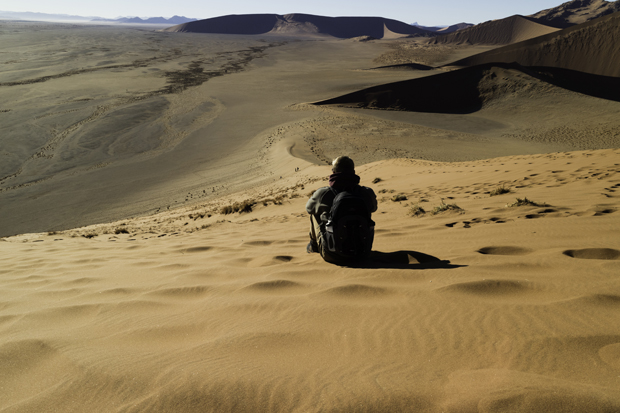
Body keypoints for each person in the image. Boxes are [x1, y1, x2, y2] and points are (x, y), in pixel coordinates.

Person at [306, 156, 377, 260]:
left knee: (314, 213)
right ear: (353, 171)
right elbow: (374, 208)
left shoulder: (323, 193)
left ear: (333, 172)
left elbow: (308, 208)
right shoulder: (366, 193)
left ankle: (314, 246)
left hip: (331, 253)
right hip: (362, 253)